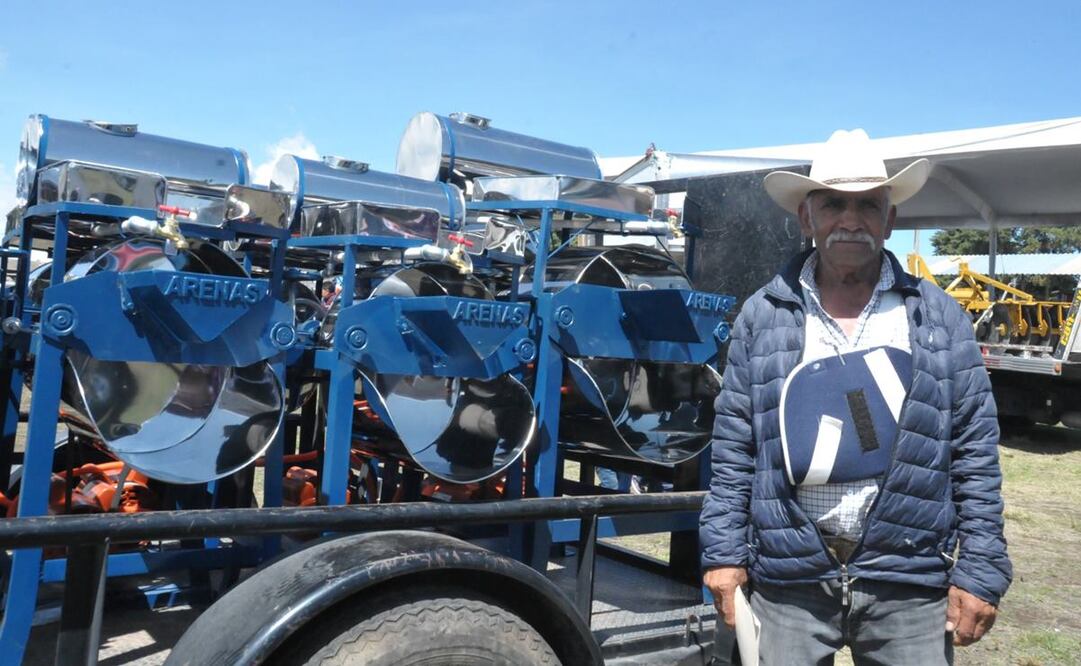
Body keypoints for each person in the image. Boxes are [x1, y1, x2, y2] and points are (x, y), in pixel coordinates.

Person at [700, 129, 1011, 664]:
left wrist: (981, 566)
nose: (850, 219)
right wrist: (724, 553)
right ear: (806, 218)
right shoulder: (764, 315)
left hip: (907, 581)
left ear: (890, 219)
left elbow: (974, 450)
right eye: (833, 204)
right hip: (788, 578)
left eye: (868, 204)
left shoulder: (937, 318)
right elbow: (734, 447)